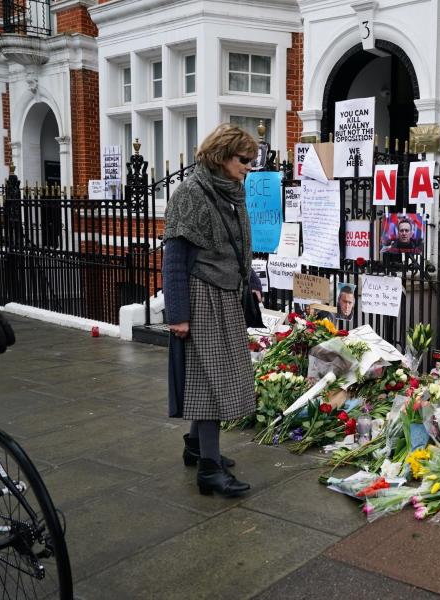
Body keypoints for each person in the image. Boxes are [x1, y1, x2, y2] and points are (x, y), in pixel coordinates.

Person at [162, 123, 261, 498]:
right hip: (202, 295)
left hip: (226, 293)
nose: (249, 166)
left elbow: (236, 244)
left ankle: (196, 445)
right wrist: (178, 315)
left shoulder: (231, 191)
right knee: (210, 382)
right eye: (243, 159)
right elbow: (174, 259)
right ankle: (209, 469)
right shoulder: (191, 194)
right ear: (221, 156)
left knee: (215, 376)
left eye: (252, 161)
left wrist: (249, 280)